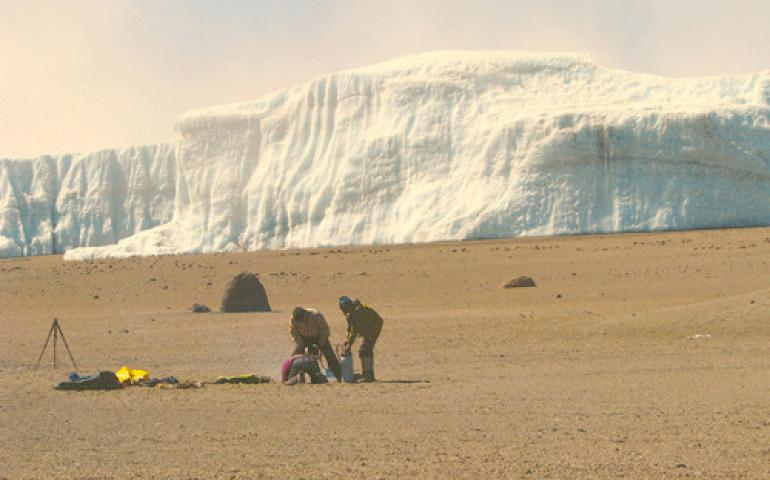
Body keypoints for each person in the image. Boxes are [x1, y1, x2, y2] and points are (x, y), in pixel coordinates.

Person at [339, 296, 383, 382]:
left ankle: (369, 376)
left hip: (374, 327)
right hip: (367, 327)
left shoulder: (358, 311)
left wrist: (349, 344)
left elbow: (355, 330)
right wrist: (347, 339)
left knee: (365, 350)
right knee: (365, 349)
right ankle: (367, 375)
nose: (343, 312)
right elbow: (350, 328)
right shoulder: (351, 313)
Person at [290, 307, 342, 381]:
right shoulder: (293, 319)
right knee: (295, 357)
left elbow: (325, 330)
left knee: (330, 356)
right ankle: (295, 378)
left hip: (319, 337)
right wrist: (301, 343)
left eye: (302, 320)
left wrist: (319, 344)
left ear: (305, 315)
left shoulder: (316, 315)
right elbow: (294, 333)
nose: (301, 322)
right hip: (304, 338)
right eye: (299, 321)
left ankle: (339, 376)